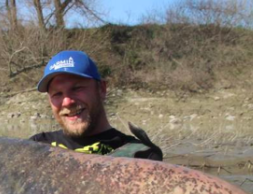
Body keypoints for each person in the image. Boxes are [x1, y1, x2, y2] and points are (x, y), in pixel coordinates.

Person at [30, 50, 163, 160]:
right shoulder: (35, 147)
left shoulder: (141, 156)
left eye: (77, 89)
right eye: (57, 94)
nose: (67, 102)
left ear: (102, 89)